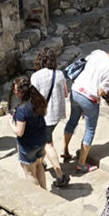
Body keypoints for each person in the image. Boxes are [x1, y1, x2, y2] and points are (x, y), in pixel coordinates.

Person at [63, 39, 109, 172]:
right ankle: (81, 164)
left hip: (76, 90)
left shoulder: (97, 53)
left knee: (72, 121)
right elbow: (101, 91)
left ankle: (64, 150)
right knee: (90, 130)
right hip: (89, 98)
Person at [30, 47, 71, 189]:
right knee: (46, 139)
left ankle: (60, 175)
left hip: (43, 116)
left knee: (47, 144)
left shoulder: (36, 76)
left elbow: (33, 98)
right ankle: (40, 161)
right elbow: (66, 94)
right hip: (56, 114)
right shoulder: (59, 74)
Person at [10, 75, 49, 190]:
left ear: (19, 92)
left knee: (30, 173)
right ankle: (44, 190)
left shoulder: (22, 109)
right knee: (38, 165)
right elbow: (45, 114)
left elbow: (19, 132)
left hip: (29, 145)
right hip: (41, 139)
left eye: (15, 90)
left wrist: (11, 123)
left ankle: (40, 197)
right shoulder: (38, 100)